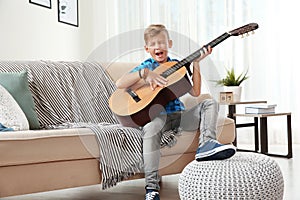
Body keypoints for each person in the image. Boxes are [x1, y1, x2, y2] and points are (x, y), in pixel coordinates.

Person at [116, 24, 236, 200]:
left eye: (162, 43)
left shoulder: (177, 66)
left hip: (179, 116)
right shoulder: (147, 66)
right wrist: (144, 74)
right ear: (147, 49)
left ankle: (207, 145)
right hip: (159, 118)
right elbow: (120, 83)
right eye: (154, 44)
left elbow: (195, 92)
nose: (158, 47)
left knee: (209, 103)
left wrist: (196, 64)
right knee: (150, 129)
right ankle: (151, 188)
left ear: (169, 44)